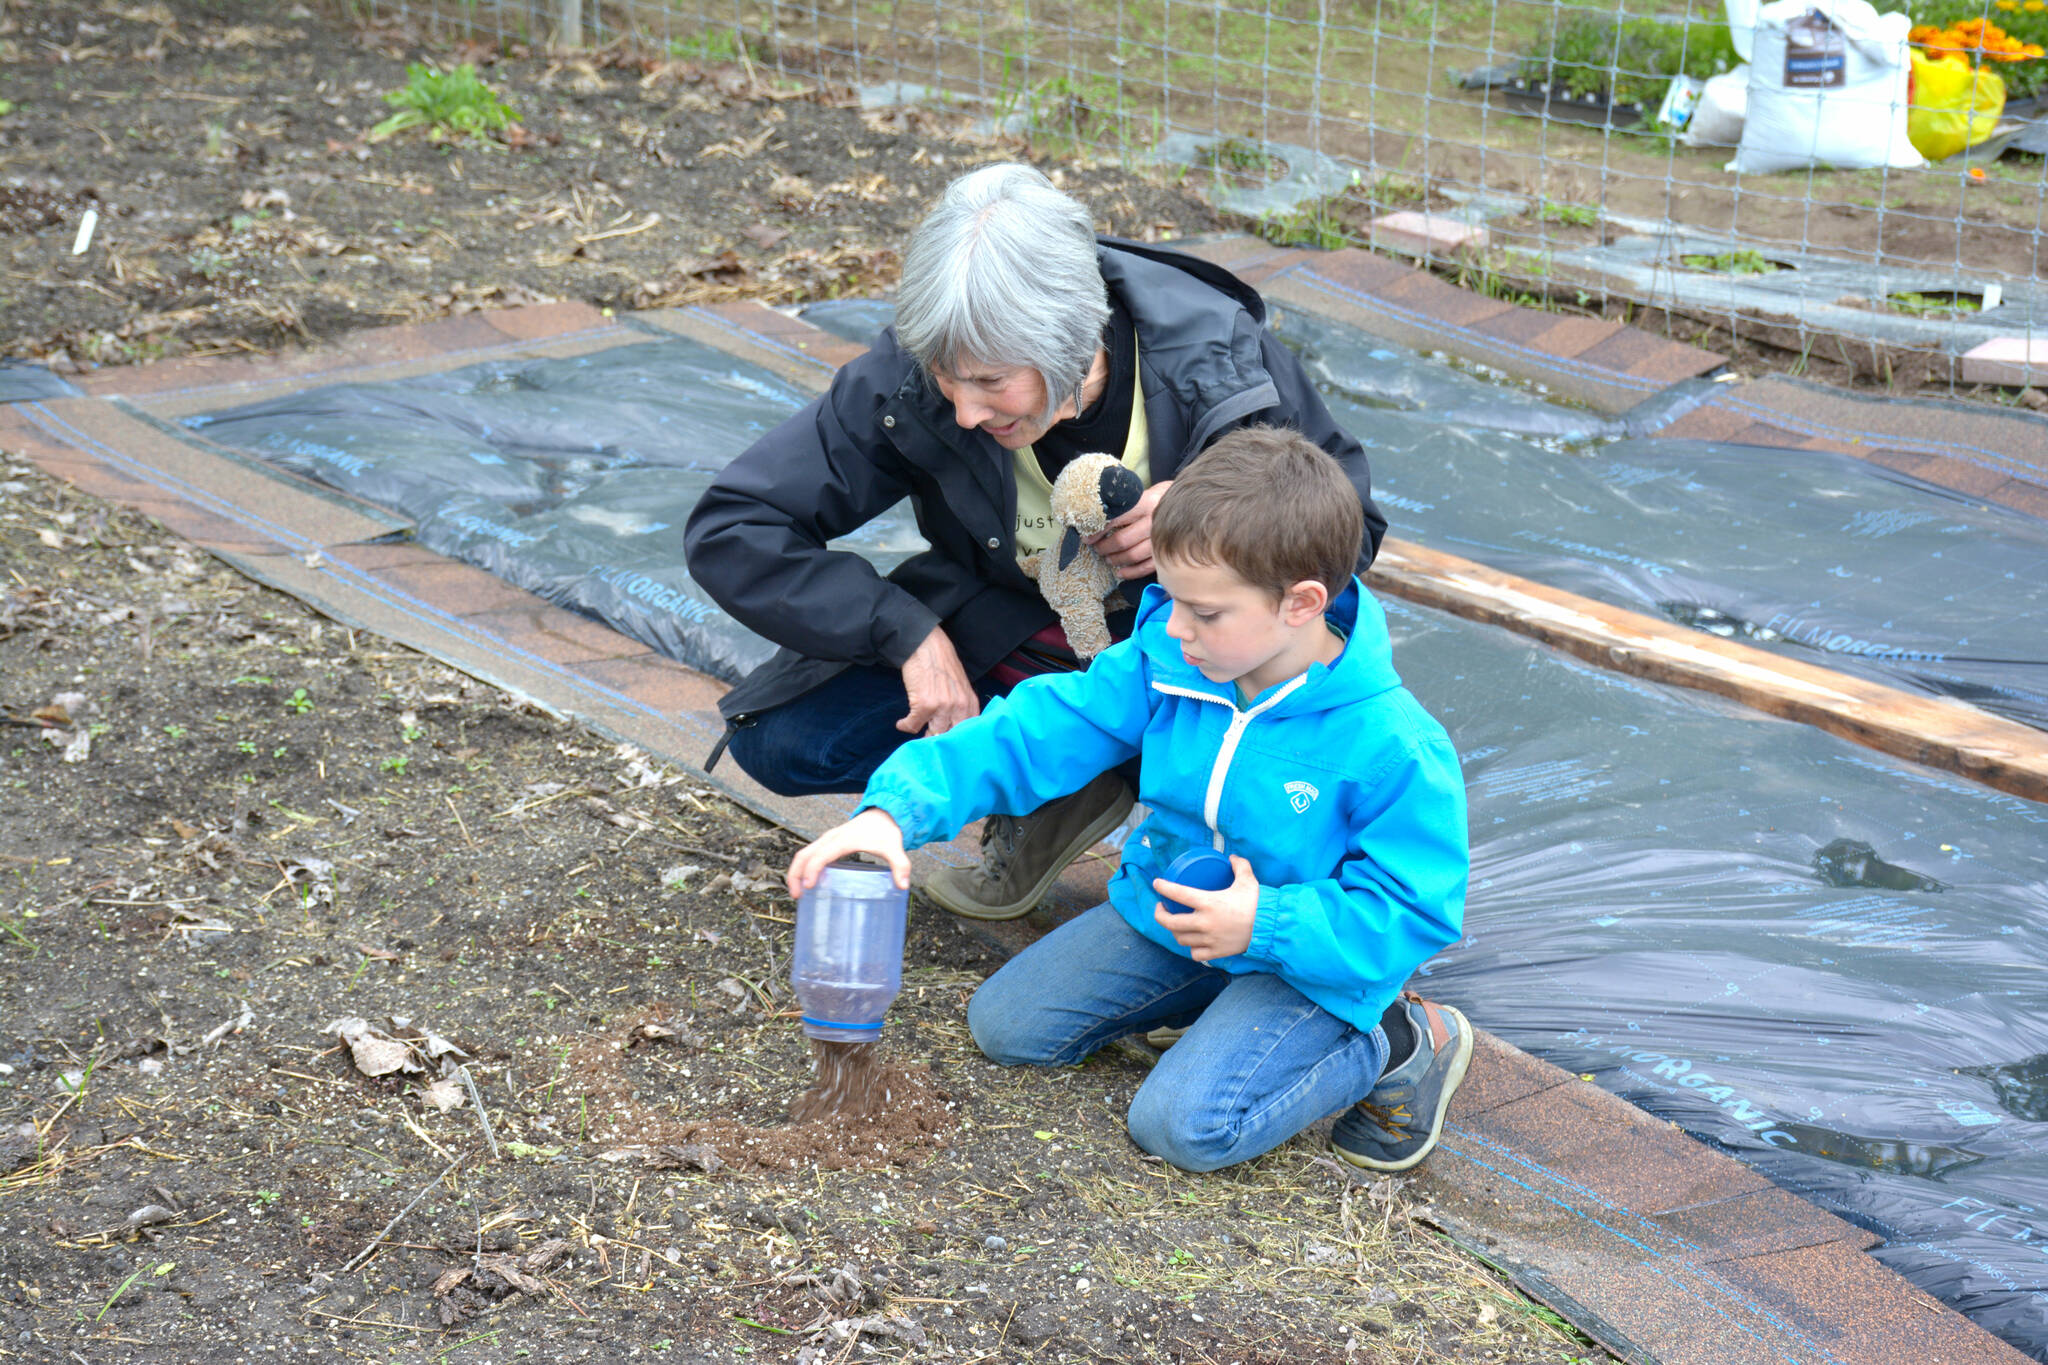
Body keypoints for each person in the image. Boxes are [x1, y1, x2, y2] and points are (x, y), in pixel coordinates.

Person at [685, 162, 1385, 922]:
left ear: (1072, 345)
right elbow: (734, 525)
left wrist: (1218, 519)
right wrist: (903, 630)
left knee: (1244, 815)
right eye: (947, 379)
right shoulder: (926, 368)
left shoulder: (1215, 355)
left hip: (1185, 661)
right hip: (1021, 627)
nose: (961, 410)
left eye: (991, 384)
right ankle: (1064, 780)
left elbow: (1351, 524)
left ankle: (1169, 820)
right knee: (787, 739)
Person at [785, 428, 1471, 1174]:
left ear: (1301, 603)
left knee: (1184, 1125)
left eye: (1204, 612)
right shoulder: (1173, 658)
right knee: (1007, 1025)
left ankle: (1399, 1042)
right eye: (1169, 599)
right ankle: (1214, 1008)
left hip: (1310, 961)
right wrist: (894, 812)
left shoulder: (1393, 743)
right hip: (1176, 916)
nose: (1175, 628)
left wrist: (1263, 923)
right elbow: (1037, 729)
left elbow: (1416, 907)